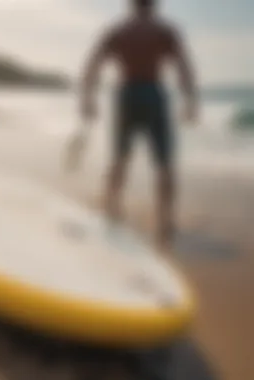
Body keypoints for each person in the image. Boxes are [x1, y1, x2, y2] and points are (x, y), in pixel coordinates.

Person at [71, 0, 198, 252]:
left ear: (130, 5)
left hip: (127, 94)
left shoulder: (118, 31)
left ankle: (111, 208)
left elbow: (93, 64)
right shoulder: (165, 30)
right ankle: (165, 222)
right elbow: (183, 66)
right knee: (164, 161)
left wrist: (88, 99)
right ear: (154, 5)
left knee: (120, 157)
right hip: (153, 94)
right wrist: (190, 99)